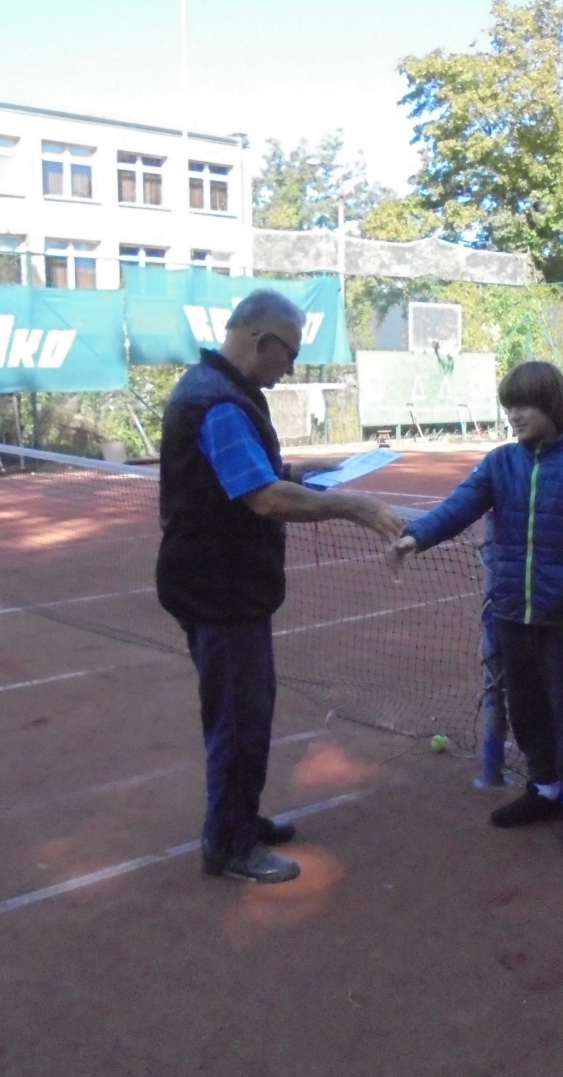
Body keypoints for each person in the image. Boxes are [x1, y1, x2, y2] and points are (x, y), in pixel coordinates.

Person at [156, 289, 404, 884]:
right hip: (220, 589)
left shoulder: (215, 391)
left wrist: (303, 473)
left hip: (220, 584)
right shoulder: (219, 403)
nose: (289, 367)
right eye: (288, 354)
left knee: (245, 711)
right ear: (261, 342)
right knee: (239, 719)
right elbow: (261, 497)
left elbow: (252, 476)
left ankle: (240, 817)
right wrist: (354, 506)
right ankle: (230, 843)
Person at [394, 361, 563, 857]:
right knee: (526, 707)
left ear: (552, 407)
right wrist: (416, 536)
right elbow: (459, 506)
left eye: (523, 405)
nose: (513, 415)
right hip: (513, 612)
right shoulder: (498, 463)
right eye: (508, 406)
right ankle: (543, 788)